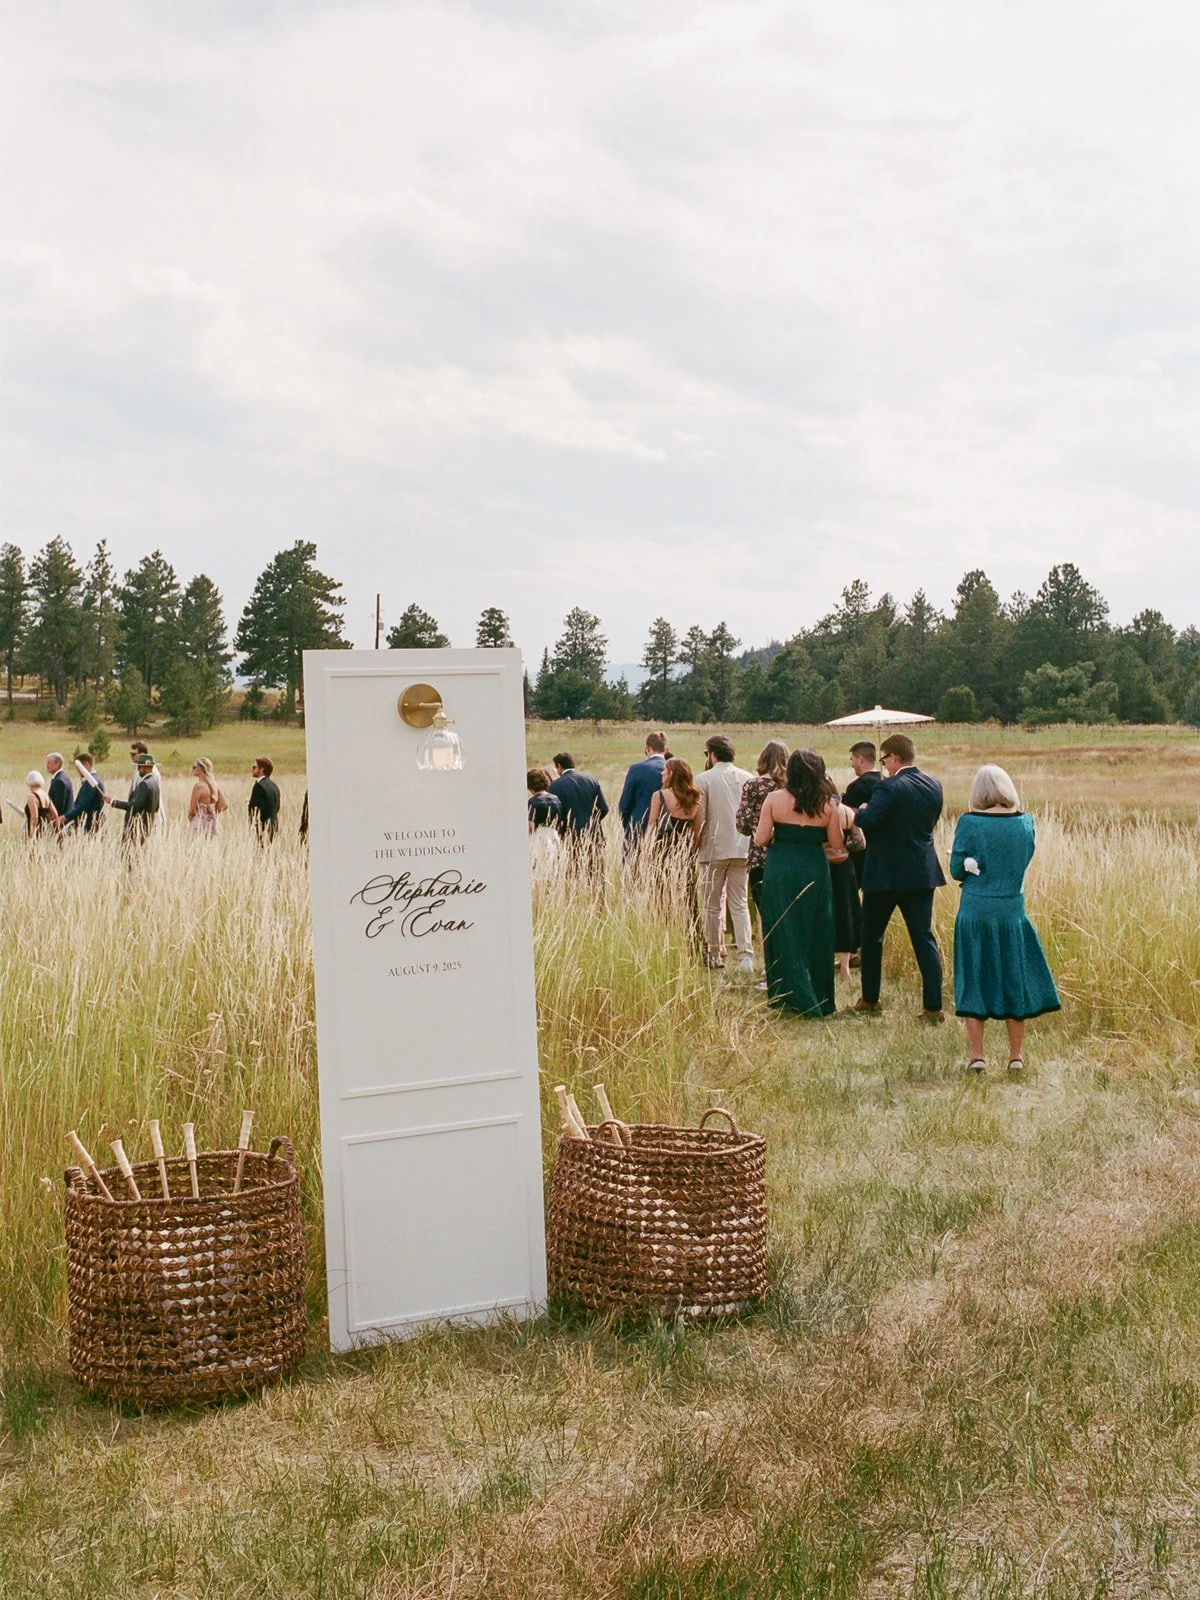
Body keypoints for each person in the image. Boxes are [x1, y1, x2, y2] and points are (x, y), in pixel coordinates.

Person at [950, 764, 1060, 1074]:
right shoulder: (1026, 823)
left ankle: (977, 1056)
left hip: (976, 909)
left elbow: (957, 869)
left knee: (975, 978)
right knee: (1015, 977)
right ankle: (1015, 1057)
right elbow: (1023, 860)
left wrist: (969, 864)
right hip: (1012, 909)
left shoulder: (969, 823)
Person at [849, 733, 946, 1021]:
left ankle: (870, 998)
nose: (884, 765)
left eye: (884, 759)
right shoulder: (934, 785)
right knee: (923, 937)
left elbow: (866, 821)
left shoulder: (888, 788)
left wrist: (861, 810)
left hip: (885, 873)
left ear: (894, 758)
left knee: (872, 935)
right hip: (921, 872)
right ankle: (933, 1006)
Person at [754, 749, 847, 1017]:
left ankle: (790, 995)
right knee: (816, 930)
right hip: (813, 869)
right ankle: (818, 995)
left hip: (781, 867)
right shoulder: (827, 804)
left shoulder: (774, 799)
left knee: (783, 928)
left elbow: (760, 839)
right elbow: (837, 844)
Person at [695, 735, 754, 972]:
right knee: (739, 903)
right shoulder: (748, 777)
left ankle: (713, 952)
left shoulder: (703, 779)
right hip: (742, 846)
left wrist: (694, 844)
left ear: (712, 753)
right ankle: (746, 955)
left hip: (713, 847)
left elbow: (701, 818)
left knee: (711, 905)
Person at [646, 756, 704, 944]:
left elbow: (651, 827)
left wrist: (646, 853)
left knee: (663, 900)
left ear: (671, 774)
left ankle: (667, 939)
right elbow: (697, 834)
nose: (662, 773)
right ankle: (693, 943)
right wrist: (689, 853)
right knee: (689, 901)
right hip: (684, 855)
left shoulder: (660, 796)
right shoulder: (695, 798)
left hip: (662, 853)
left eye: (665, 770)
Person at [736, 740, 789, 914]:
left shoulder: (753, 786)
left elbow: (742, 824)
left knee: (766, 913)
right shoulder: (792, 787)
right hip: (788, 854)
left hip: (759, 856)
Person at [548, 753, 608, 880]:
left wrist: (562, 831)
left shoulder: (555, 786)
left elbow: (555, 815)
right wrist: (592, 821)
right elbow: (604, 808)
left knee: (573, 877)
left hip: (570, 837)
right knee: (596, 876)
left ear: (558, 766)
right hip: (593, 834)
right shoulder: (591, 779)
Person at [830, 793, 864, 982]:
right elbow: (860, 842)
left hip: (822, 864)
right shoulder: (846, 812)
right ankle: (845, 967)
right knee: (845, 912)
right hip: (844, 867)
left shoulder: (815, 810)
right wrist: (844, 848)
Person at [842, 742, 881, 893]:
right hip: (882, 851)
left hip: (860, 852)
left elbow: (846, 820)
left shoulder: (857, 787)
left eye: (852, 759)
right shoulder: (885, 782)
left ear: (859, 759)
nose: (852, 765)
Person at [617, 732, 668, 847]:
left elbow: (624, 805)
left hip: (638, 827)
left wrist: (629, 825)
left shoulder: (636, 769)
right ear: (666, 749)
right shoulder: (674, 770)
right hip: (667, 830)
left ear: (648, 748)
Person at [106, 750, 160, 843]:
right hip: (146, 827)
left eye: (139, 767)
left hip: (136, 828)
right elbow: (156, 807)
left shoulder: (145, 784)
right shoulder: (154, 781)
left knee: (129, 855)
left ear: (147, 767)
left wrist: (113, 802)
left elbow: (134, 806)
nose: (138, 769)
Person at [527, 768, 562, 878]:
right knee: (552, 870)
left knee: (537, 870)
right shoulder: (556, 799)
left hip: (539, 837)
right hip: (553, 835)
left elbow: (530, 826)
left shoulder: (533, 802)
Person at [58, 753, 107, 833]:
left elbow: (83, 804)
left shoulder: (91, 782)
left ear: (86, 765)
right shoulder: (96, 778)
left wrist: (65, 817)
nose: (77, 771)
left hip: (90, 823)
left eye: (78, 768)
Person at [129, 740, 167, 831]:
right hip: (140, 816)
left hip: (151, 816)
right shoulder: (137, 771)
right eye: (130, 754)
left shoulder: (151, 773)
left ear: (142, 754)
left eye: (134, 754)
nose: (131, 757)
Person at [189, 757, 228, 839]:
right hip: (212, 822)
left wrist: (196, 816)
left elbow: (192, 809)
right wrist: (211, 811)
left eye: (194, 767)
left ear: (200, 769)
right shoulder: (214, 785)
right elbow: (224, 805)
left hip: (200, 822)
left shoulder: (198, 786)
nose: (192, 769)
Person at [249, 756, 281, 840]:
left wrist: (253, 829)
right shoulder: (274, 786)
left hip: (262, 829)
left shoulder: (259, 786)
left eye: (254, 767)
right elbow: (276, 807)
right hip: (274, 826)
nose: (252, 769)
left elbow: (255, 810)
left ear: (262, 769)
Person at [24, 772, 58, 839]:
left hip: (36, 830)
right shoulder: (45, 795)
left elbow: (34, 817)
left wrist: (31, 834)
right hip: (45, 829)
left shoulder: (32, 796)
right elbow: (55, 814)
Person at [46, 753, 74, 819]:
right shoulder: (63, 777)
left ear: (57, 764)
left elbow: (59, 806)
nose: (47, 766)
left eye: (49, 763)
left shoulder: (59, 781)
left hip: (61, 822)